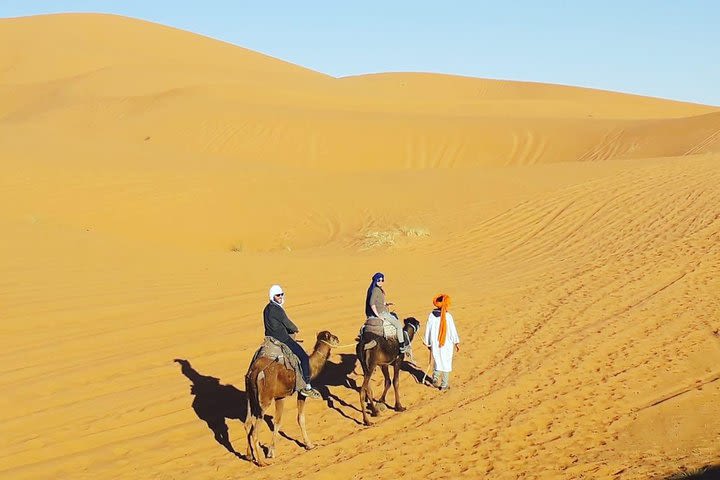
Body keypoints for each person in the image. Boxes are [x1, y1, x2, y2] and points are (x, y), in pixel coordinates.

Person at [263, 284, 321, 399]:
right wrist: (295, 329)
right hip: (282, 338)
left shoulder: (267, 308)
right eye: (278, 295)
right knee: (304, 357)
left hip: (269, 338)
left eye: (281, 294)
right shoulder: (277, 309)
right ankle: (307, 386)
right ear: (272, 296)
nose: (280, 297)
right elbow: (287, 323)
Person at [423, 294, 460, 391]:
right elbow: (452, 331)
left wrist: (427, 342)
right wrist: (456, 342)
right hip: (446, 343)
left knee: (437, 360)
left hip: (435, 343)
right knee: (446, 362)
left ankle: (435, 379)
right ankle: (444, 384)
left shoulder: (431, 315)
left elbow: (428, 329)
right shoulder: (448, 316)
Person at [365, 272, 408, 353]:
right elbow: (372, 303)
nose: (381, 282)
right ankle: (402, 346)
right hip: (383, 313)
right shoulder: (376, 290)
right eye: (379, 280)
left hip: (382, 311)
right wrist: (378, 315)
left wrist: (386, 304)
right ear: (375, 281)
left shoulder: (376, 289)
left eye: (382, 280)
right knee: (398, 325)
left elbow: (378, 302)